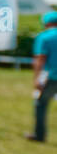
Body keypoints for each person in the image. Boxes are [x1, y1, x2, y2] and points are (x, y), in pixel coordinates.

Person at [26, 11, 57, 142]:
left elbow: (40, 59)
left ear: (47, 23)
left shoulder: (44, 37)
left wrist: (37, 79)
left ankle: (39, 136)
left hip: (50, 76)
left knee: (41, 104)